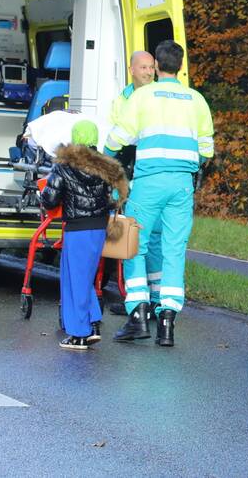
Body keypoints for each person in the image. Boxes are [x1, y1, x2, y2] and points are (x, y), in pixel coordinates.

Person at [105, 41, 214, 347]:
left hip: (149, 182)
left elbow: (119, 138)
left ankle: (138, 315)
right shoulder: (197, 100)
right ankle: (167, 322)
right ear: (179, 66)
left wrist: (104, 156)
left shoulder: (143, 96)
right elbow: (207, 149)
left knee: (133, 246)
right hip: (181, 185)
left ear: (156, 66)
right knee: (173, 249)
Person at [40, 120, 129, 350]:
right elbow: (117, 196)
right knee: (85, 276)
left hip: (76, 227)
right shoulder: (106, 167)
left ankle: (78, 333)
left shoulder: (64, 166)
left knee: (73, 280)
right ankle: (92, 322)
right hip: (99, 226)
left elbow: (49, 199)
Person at [105, 50, 159, 316]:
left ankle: (150, 299)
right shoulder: (122, 100)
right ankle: (136, 297)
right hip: (128, 167)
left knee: (151, 238)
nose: (148, 72)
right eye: (143, 68)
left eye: (151, 68)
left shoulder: (160, 96)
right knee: (131, 235)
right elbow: (118, 135)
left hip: (150, 169)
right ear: (132, 70)